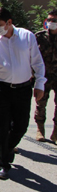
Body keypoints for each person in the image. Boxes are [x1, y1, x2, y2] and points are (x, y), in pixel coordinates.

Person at [0, 7, 45, 180]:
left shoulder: (26, 36)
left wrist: (40, 83)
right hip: (0, 88)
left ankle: (7, 147)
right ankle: (3, 163)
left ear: (9, 22)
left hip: (23, 88)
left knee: (21, 126)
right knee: (1, 128)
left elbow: (37, 62)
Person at [35, 9, 57, 142]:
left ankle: (55, 132)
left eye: (54, 20)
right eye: (49, 20)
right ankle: (40, 129)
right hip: (44, 76)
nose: (51, 23)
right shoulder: (39, 37)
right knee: (41, 103)